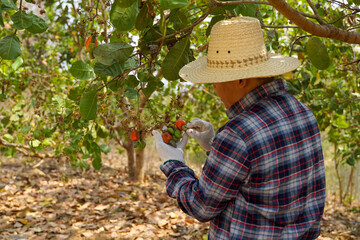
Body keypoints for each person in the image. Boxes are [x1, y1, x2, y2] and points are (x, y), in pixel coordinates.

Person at [152, 16, 326, 240]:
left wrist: (173, 163)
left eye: (216, 79)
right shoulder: (302, 112)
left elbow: (201, 206)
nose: (214, 87)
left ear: (240, 80)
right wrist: (213, 145)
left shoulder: (237, 135)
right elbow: (257, 173)